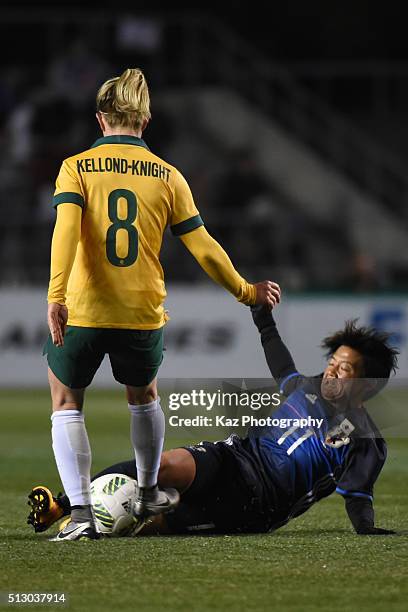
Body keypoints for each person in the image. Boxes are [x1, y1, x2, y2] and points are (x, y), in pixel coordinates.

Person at [43, 67, 279, 542]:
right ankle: (149, 492)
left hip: (86, 309)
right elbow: (204, 246)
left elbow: (65, 232)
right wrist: (246, 290)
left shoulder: (75, 167)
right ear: (145, 122)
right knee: (144, 396)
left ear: (99, 118)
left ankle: (84, 516)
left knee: (67, 402)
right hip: (141, 312)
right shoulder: (169, 176)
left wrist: (56, 295)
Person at [29, 308, 398, 537]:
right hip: (234, 457)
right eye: (333, 361)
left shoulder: (365, 439)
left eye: (344, 368)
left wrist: (368, 530)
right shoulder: (309, 387)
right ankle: (64, 505)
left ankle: (119, 522)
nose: (332, 370)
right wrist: (263, 319)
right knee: (163, 465)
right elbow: (281, 365)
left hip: (257, 504)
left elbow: (358, 496)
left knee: (153, 528)